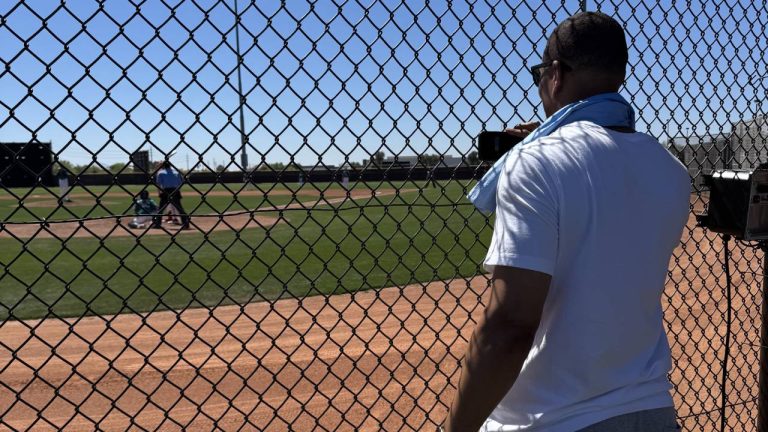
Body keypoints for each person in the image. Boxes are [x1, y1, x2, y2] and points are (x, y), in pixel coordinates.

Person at [445, 12, 690, 432]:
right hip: (651, 408)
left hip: (551, 418)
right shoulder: (670, 169)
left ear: (555, 75)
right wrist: (546, 141)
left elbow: (510, 326)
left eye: (539, 74)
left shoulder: (535, 163)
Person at [153, 160, 190, 229]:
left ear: (163, 166)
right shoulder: (176, 172)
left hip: (166, 191)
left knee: (161, 209)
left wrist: (159, 193)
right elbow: (180, 183)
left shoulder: (160, 173)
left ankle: (158, 224)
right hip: (175, 191)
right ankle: (186, 224)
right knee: (180, 208)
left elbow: (158, 184)